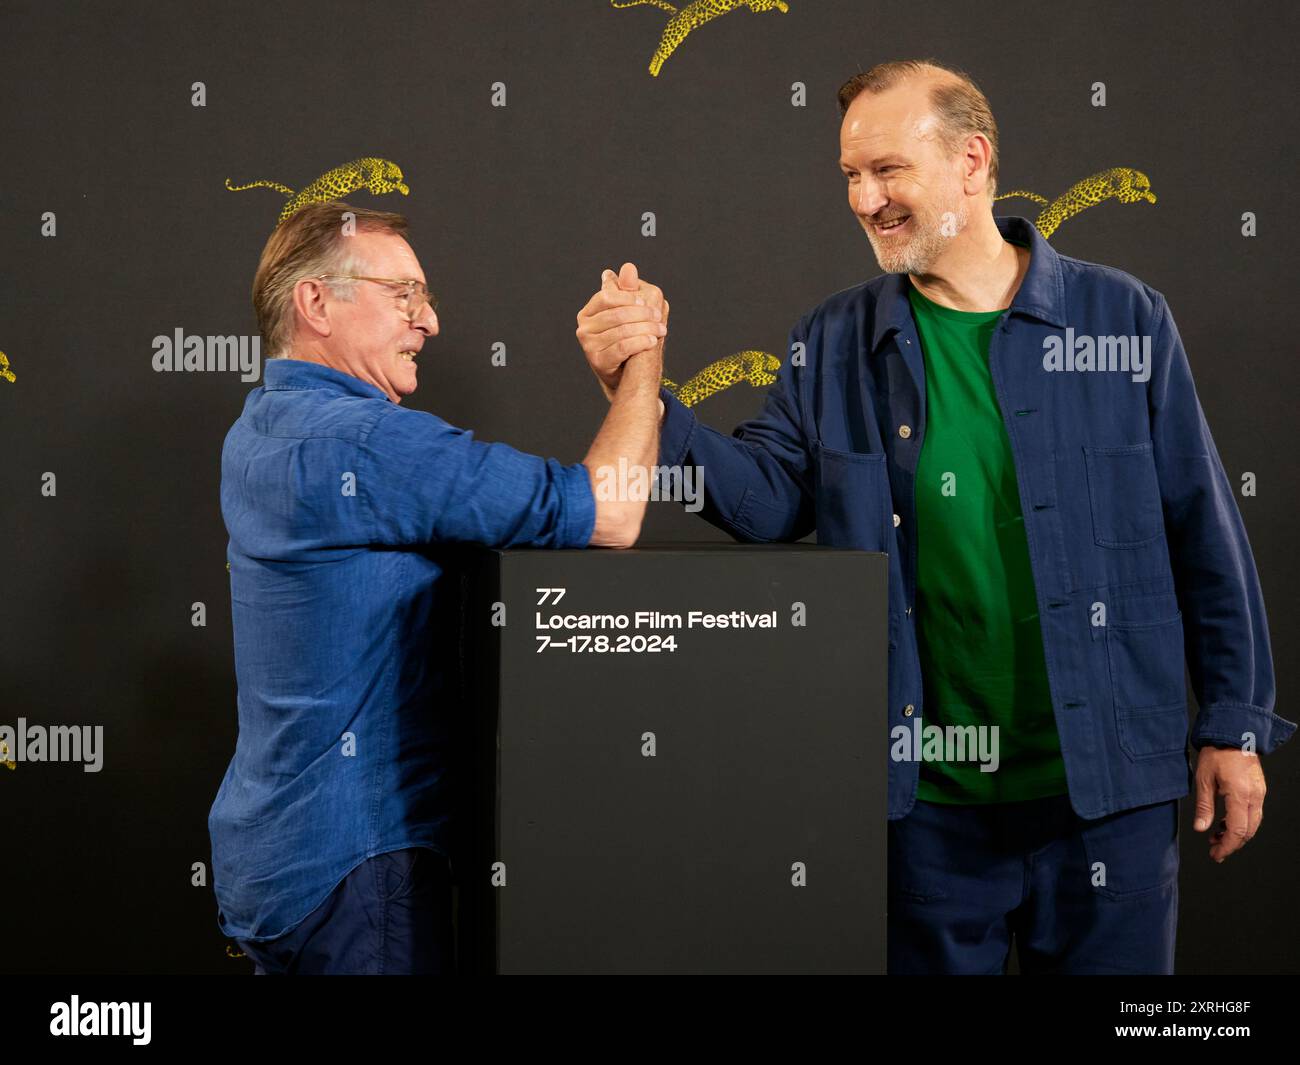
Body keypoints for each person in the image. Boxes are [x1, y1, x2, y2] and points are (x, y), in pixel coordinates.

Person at [577, 59, 1294, 974]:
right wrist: (646, 396)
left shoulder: (1122, 318)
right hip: (926, 811)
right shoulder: (831, 340)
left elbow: (1204, 531)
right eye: (849, 176)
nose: (865, 198)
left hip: (1109, 794)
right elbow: (767, 502)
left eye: (887, 169)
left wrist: (1234, 724)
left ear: (972, 162)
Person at [209, 200, 665, 974]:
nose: (431, 321)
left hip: (269, 862)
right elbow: (613, 511)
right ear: (315, 302)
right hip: (361, 867)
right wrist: (643, 363)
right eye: (404, 295)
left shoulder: (258, 429)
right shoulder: (368, 442)